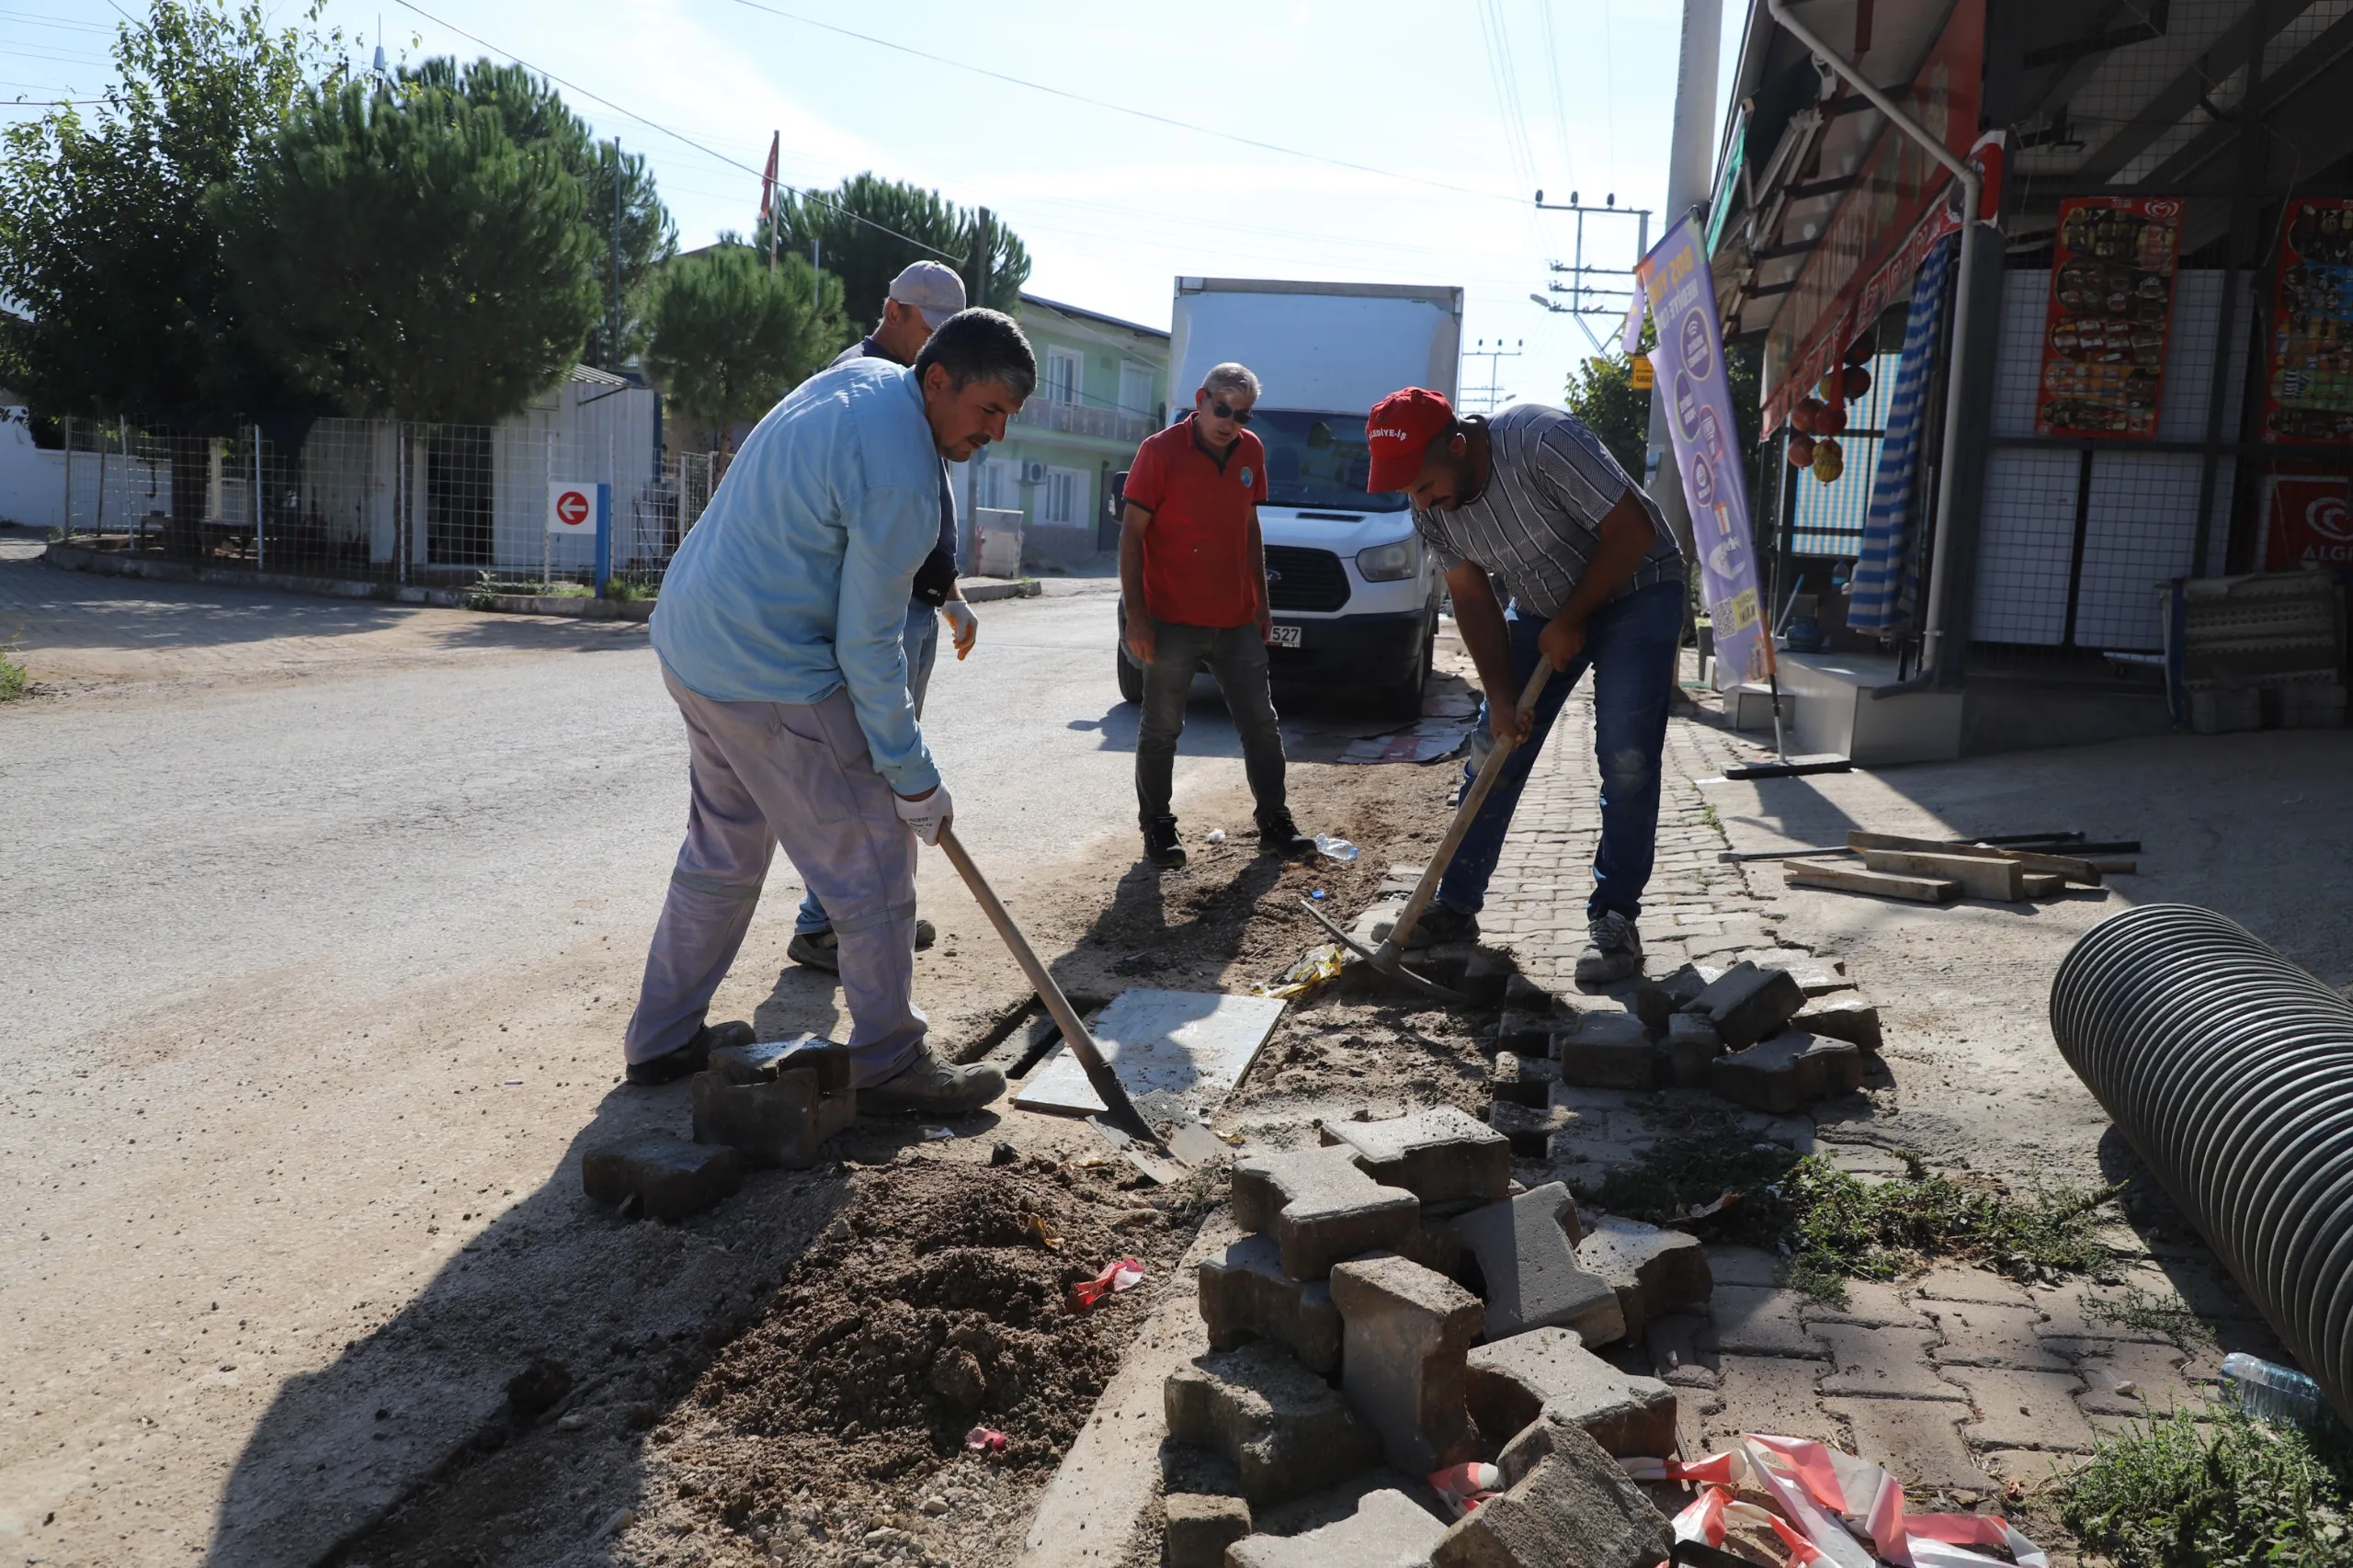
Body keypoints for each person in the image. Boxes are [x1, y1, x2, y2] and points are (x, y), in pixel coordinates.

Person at [619, 309, 1037, 1114]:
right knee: (875, 857)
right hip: (769, 668)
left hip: (693, 641)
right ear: (939, 379)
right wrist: (913, 779)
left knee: (723, 851)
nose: (996, 433)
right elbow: (870, 650)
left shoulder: (866, 378)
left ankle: (663, 1039)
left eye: (1008, 418)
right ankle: (890, 1059)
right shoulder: (903, 480)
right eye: (988, 411)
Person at [1364, 386, 1686, 983]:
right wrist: (1504, 698)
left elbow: (1635, 530)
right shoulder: (1428, 505)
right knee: (1494, 746)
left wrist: (1571, 621)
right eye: (1407, 488)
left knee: (1626, 756)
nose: (1420, 499)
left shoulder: (1541, 440)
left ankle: (1615, 920)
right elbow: (1471, 596)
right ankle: (1454, 907)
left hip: (1640, 589)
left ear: (1458, 445)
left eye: (1423, 482)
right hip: (1542, 606)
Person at [788, 259, 978, 973]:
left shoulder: (915, 384)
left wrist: (949, 590)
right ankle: (830, 924)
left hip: (912, 603)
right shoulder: (859, 382)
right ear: (894, 310)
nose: (938, 353)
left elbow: (931, 497)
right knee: (868, 775)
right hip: (873, 609)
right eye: (931, 332)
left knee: (879, 774)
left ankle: (864, 915)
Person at [1120, 362, 1315, 870]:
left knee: (1262, 727)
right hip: (1169, 619)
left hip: (1236, 621)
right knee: (1161, 729)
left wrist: (1262, 605)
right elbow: (1131, 537)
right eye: (1222, 408)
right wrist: (1137, 618)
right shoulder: (1158, 452)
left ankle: (1275, 822)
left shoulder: (1251, 451)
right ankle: (1158, 827)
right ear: (1201, 399)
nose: (1230, 421)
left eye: (1242, 414)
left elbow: (1249, 529)